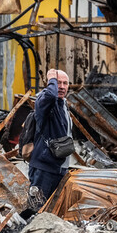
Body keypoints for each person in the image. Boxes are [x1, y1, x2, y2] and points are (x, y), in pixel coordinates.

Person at [28, 68, 72, 204]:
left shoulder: (62, 105)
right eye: (58, 83)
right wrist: (51, 78)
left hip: (59, 168)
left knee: (52, 211)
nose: (62, 87)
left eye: (65, 83)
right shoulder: (44, 102)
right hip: (44, 169)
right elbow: (50, 96)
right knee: (35, 208)